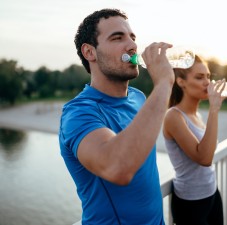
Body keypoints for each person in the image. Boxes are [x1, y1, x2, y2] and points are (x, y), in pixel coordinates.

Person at [59, 8, 175, 225]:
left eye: (132, 37)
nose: (132, 45)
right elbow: (117, 167)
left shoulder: (139, 98)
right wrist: (163, 83)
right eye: (117, 37)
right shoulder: (78, 113)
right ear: (89, 52)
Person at [163, 55, 225, 225]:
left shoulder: (196, 115)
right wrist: (214, 109)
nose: (207, 83)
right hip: (190, 202)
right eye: (199, 77)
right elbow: (204, 158)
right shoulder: (173, 116)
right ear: (181, 82)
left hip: (211, 193)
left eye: (208, 76)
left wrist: (213, 110)